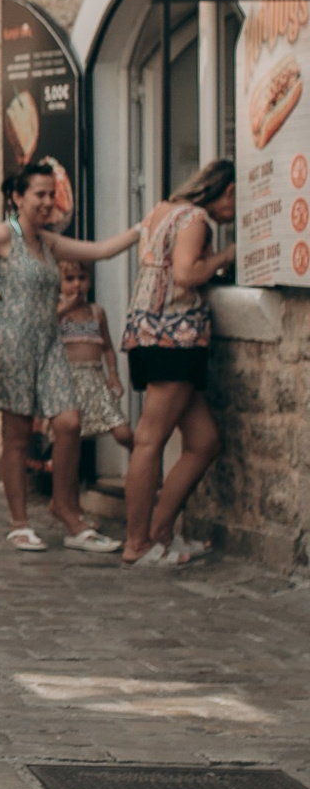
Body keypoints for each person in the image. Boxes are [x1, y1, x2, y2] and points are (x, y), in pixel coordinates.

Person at [0, 166, 140, 553]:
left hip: (48, 343)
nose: (47, 202)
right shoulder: (4, 235)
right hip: (11, 344)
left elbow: (101, 251)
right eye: (39, 194)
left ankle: (65, 508)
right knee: (17, 434)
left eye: (51, 194)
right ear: (18, 197)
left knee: (69, 421)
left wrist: (143, 228)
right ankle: (19, 523)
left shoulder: (48, 242)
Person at [120, 157, 237, 569]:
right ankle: (137, 543)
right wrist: (226, 255)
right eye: (236, 203)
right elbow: (186, 274)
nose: (234, 215)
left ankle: (161, 533)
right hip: (173, 336)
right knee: (150, 439)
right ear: (228, 190)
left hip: (150, 333)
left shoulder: (162, 210)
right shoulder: (195, 218)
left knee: (204, 441)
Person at [57, 261, 135, 457]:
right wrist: (66, 308)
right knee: (70, 435)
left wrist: (113, 374)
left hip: (96, 379)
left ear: (90, 281)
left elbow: (107, 347)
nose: (76, 284)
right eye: (69, 279)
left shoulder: (96, 312)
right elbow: (45, 330)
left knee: (123, 432)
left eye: (82, 278)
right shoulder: (56, 311)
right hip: (68, 381)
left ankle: (141, 460)